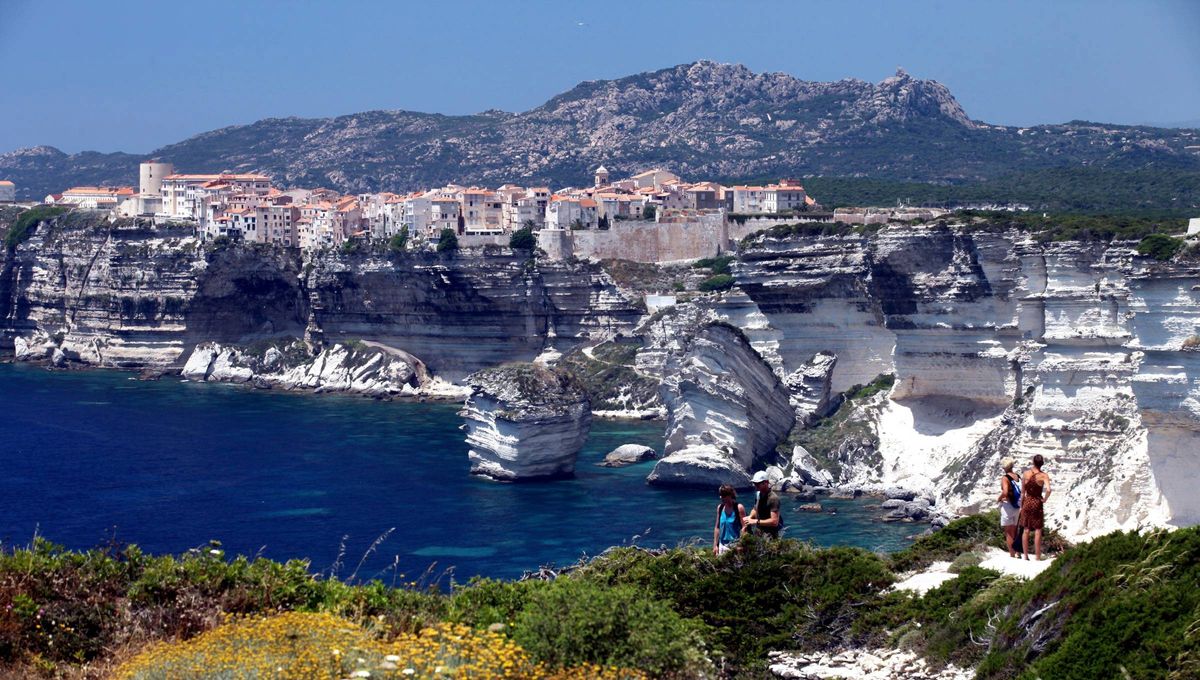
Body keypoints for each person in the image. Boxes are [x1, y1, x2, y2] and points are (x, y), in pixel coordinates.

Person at [1019, 454, 1052, 561]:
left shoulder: (1026, 474)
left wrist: (1021, 506)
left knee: (1026, 529)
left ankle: (1025, 556)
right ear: (1042, 463)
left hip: (1027, 502)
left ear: (1033, 462)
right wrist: (1045, 499)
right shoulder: (1043, 475)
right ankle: (1037, 557)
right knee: (1038, 529)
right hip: (1037, 502)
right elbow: (1048, 490)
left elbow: (1023, 492)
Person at [743, 471, 781, 538]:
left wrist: (756, 521)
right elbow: (755, 508)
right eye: (755, 483)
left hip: (770, 535)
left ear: (766, 482)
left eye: (758, 484)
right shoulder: (758, 495)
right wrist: (750, 517)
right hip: (759, 532)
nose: (756, 485)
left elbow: (774, 522)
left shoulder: (773, 499)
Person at [997, 457, 1021, 557]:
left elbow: (1005, 492)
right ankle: (1018, 552)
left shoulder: (1005, 478)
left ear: (1004, 467)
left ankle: (1012, 555)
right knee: (1015, 530)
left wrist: (999, 498)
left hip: (1008, 506)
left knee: (1009, 532)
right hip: (1017, 506)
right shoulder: (1017, 477)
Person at [713, 484, 746, 555]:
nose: (721, 497)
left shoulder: (739, 508)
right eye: (720, 495)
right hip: (722, 545)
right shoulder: (720, 508)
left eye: (723, 496)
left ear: (730, 495)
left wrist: (740, 544)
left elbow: (744, 527)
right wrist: (715, 545)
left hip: (735, 546)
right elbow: (717, 527)